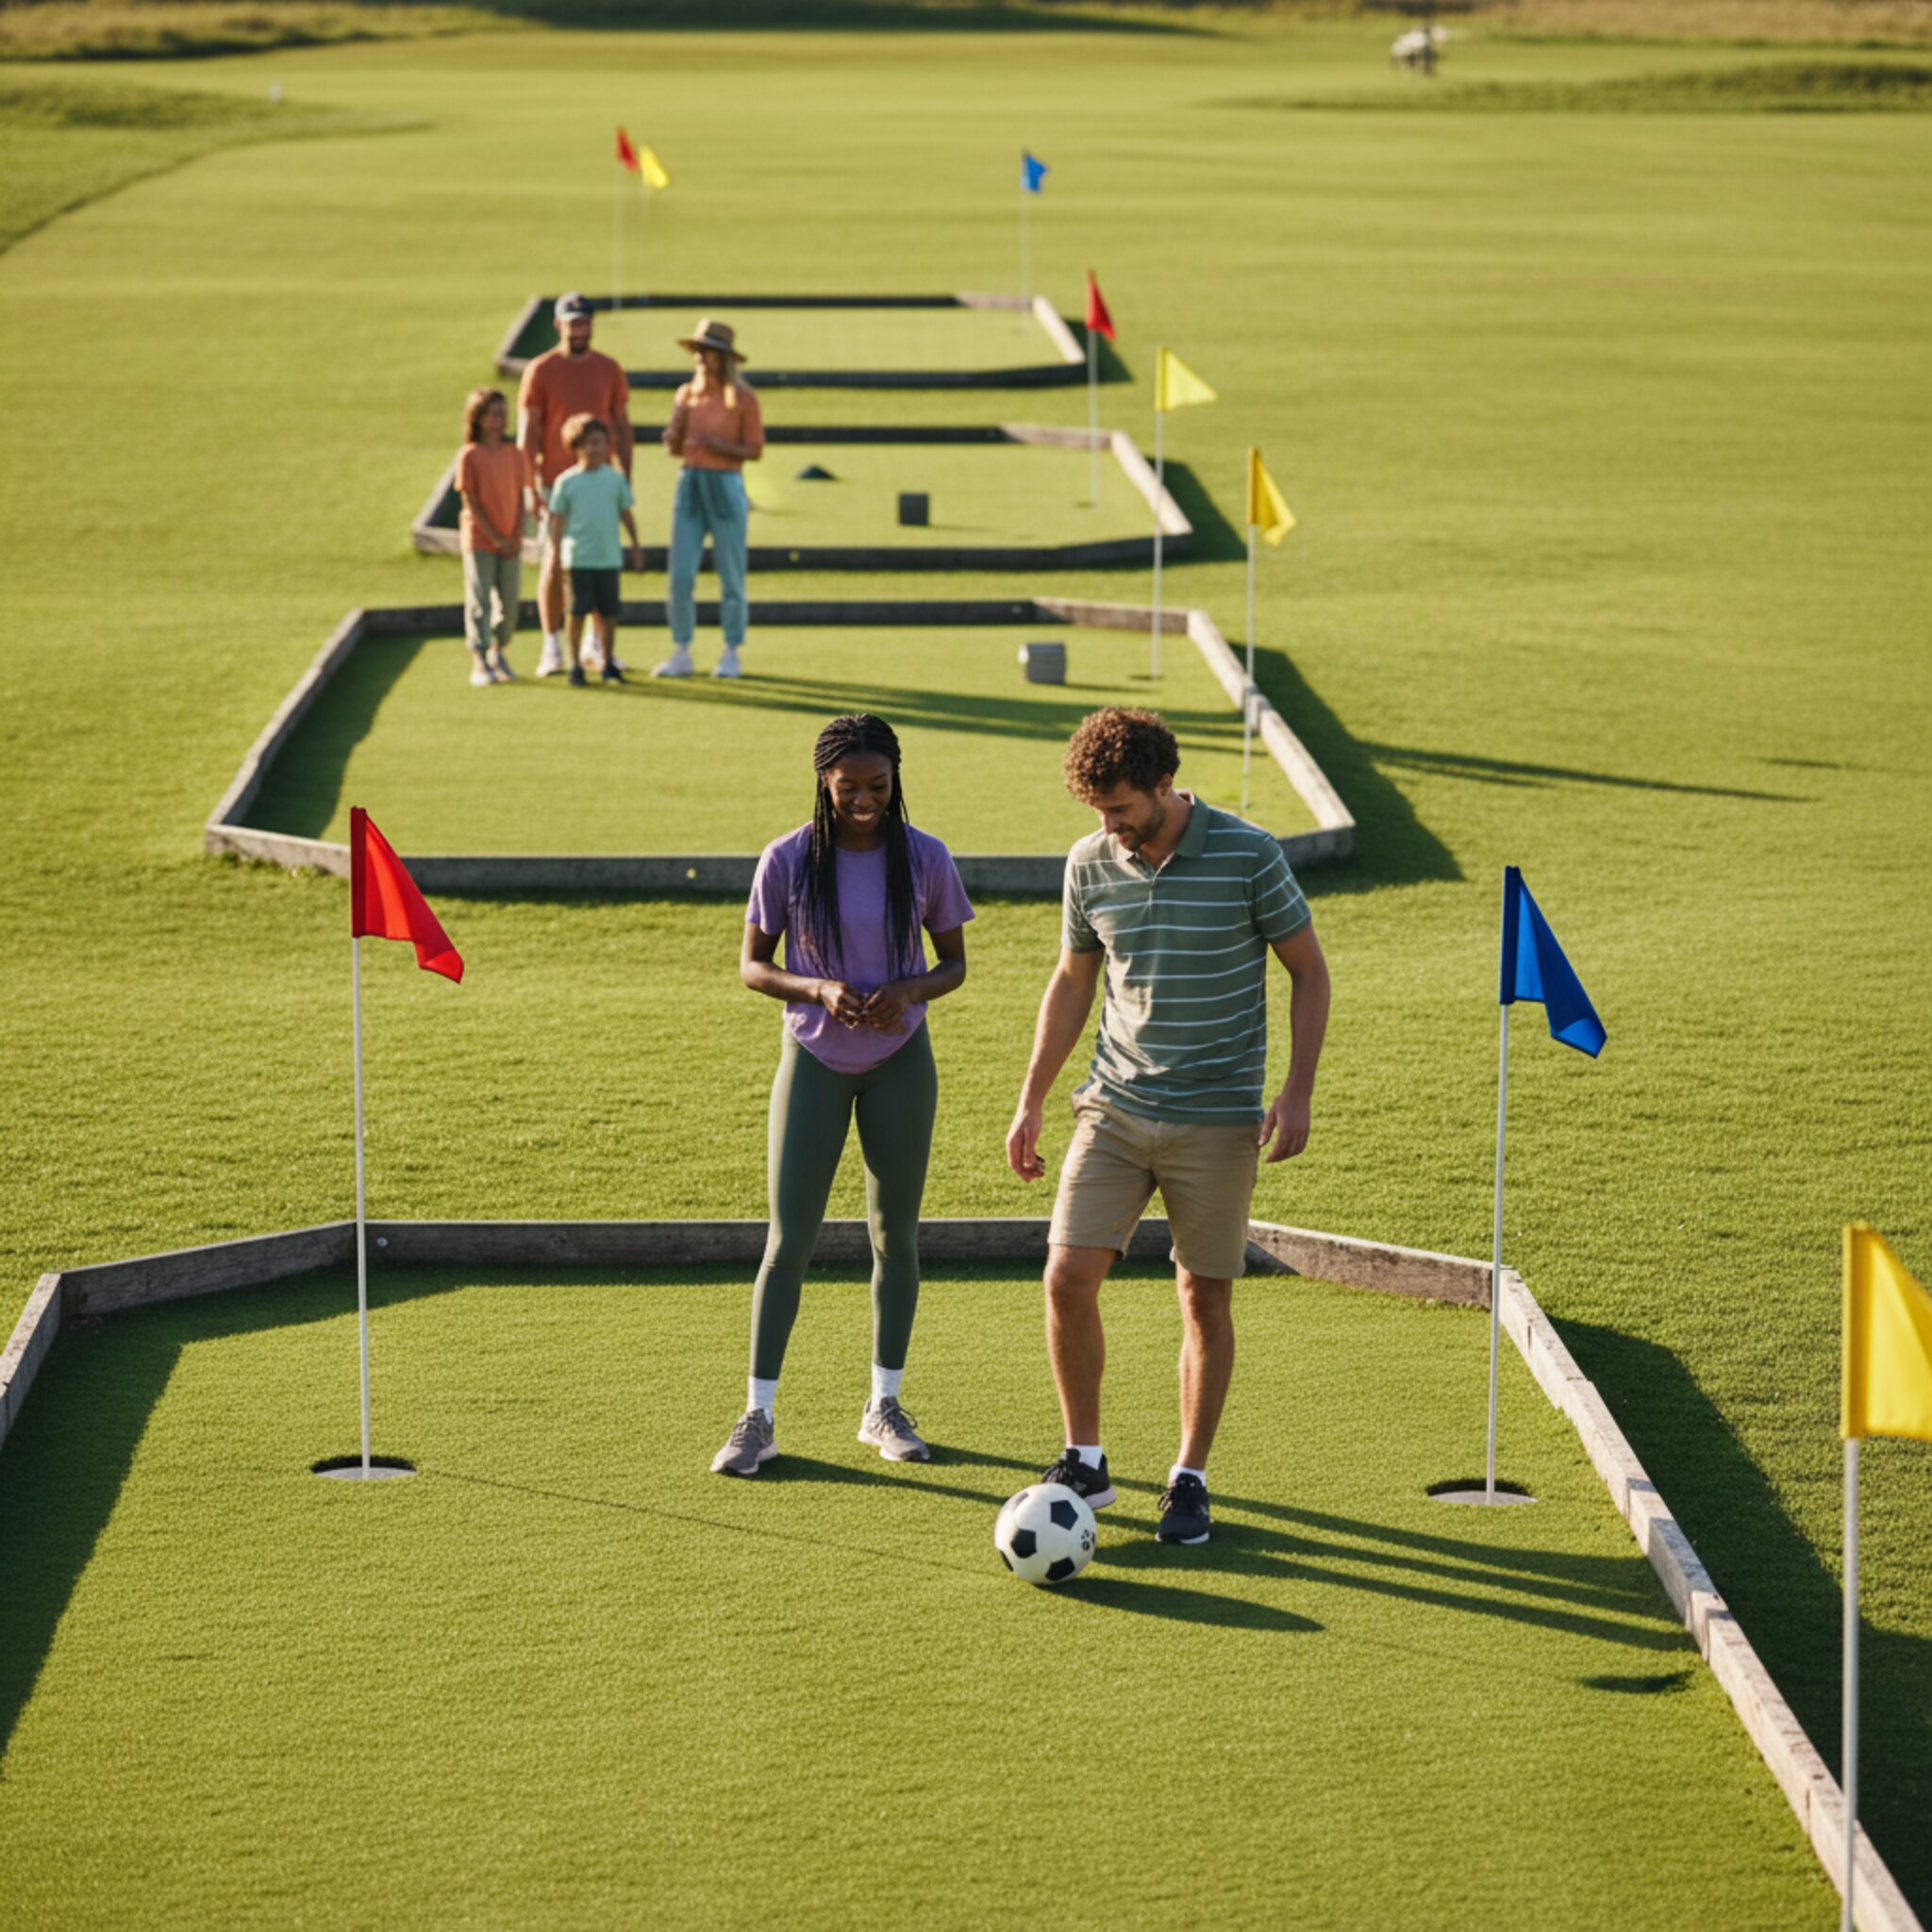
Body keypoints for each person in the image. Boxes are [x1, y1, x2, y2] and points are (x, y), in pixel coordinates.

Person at [1005, 708, 1330, 1546]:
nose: (1109, 827)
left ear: (1163, 785)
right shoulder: (1089, 863)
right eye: (1097, 812)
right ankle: (1085, 1459)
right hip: (1113, 1105)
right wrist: (1032, 1097)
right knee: (1065, 1278)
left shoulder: (1250, 854)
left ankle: (1189, 1477)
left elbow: (1308, 970)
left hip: (1218, 1116)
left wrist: (1295, 1092)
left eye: (1119, 809)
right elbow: (1073, 981)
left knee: (1202, 1295)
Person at [713, 713, 974, 1477]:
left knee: (897, 1238)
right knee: (789, 1241)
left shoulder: (925, 857)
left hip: (901, 1061)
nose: (864, 800)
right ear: (823, 783)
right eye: (847, 787)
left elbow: (953, 964)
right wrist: (818, 989)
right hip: (814, 1060)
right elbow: (753, 966)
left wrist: (909, 990)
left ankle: (883, 1407)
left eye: (878, 786)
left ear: (895, 781)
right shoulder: (787, 858)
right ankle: (757, 1418)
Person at [517, 292, 633, 678]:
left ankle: (595, 646)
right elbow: (529, 432)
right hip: (555, 482)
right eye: (573, 324)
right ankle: (551, 645)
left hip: (601, 483)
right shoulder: (541, 370)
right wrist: (530, 486)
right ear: (559, 325)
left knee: (598, 561)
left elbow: (622, 424)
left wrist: (626, 476)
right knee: (553, 562)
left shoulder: (608, 368)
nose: (579, 331)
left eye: (584, 323)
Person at [654, 318, 762, 681]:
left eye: (708, 351)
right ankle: (681, 649)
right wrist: (672, 438)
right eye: (698, 350)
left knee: (731, 573)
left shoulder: (743, 398)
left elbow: (754, 449)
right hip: (690, 481)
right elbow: (677, 447)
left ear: (723, 357)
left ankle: (731, 650)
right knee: (681, 574)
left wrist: (718, 445)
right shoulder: (686, 394)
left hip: (726, 483)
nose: (700, 357)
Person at [545, 414, 641, 688]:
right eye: (589, 443)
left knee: (608, 613)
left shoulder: (614, 479)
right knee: (576, 611)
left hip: (608, 558)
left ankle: (607, 662)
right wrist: (554, 553)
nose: (596, 449)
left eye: (600, 442)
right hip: (578, 558)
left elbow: (625, 513)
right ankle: (574, 664)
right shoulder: (567, 482)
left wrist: (635, 545)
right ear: (576, 447)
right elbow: (558, 521)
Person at [455, 388, 534, 686]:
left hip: (511, 539)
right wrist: (495, 537)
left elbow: (521, 496)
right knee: (480, 601)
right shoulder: (469, 455)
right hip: (479, 540)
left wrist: (515, 535)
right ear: (479, 418)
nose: (501, 420)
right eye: (495, 414)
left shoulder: (514, 453)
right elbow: (470, 501)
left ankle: (498, 651)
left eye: (504, 413)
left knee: (510, 603)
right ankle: (479, 656)